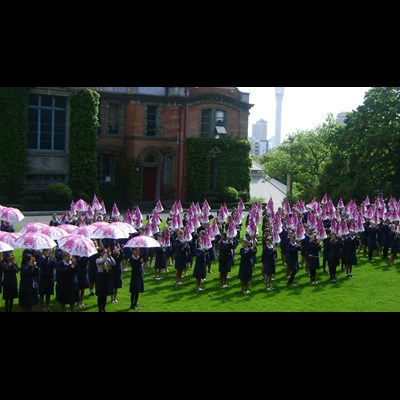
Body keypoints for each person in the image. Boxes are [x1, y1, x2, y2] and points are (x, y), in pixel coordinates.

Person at [95, 247, 115, 312]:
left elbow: (114, 263)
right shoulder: (98, 259)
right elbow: (102, 261)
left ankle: (103, 308)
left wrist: (110, 257)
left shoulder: (108, 259)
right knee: (100, 295)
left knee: (105, 294)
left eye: (105, 252)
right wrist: (106, 254)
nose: (105, 253)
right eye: (104, 252)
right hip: (100, 277)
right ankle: (100, 308)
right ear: (100, 253)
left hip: (106, 277)